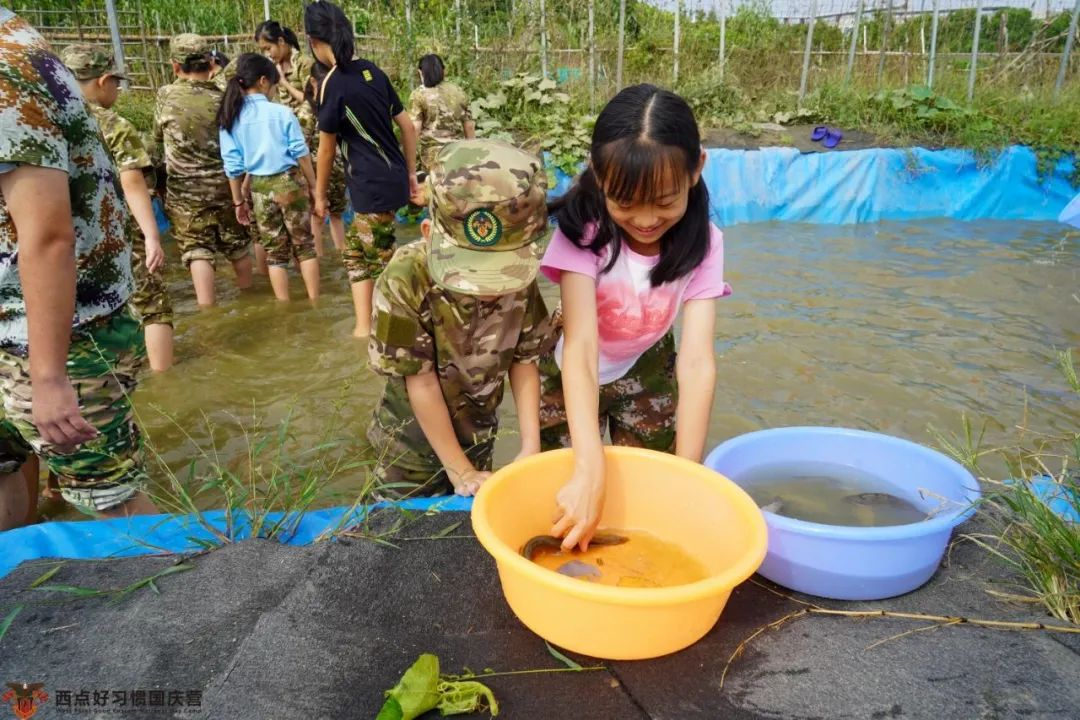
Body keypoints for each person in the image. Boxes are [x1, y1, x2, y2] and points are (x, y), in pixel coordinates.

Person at [538, 85, 731, 551]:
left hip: (647, 364)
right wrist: (589, 464)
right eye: (625, 202)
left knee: (656, 485)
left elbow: (698, 362)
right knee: (570, 488)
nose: (645, 219)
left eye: (664, 201)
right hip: (570, 369)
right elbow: (582, 348)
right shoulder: (582, 233)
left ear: (696, 169)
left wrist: (688, 471)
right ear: (600, 176)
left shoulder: (705, 243)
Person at [0, 9, 158, 529]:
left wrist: (48, 375)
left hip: (49, 334)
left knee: (110, 496)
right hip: (25, 327)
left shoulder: (7, 64)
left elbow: (47, 234)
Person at [367, 139, 554, 497]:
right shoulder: (406, 276)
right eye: (472, 272)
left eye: (500, 273)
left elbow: (525, 358)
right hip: (410, 446)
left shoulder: (520, 274)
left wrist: (530, 445)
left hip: (478, 431)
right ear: (428, 234)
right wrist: (460, 471)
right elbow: (418, 381)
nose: (488, 289)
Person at [304, 0, 421, 338]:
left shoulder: (332, 84)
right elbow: (408, 127)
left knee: (382, 262)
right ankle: (361, 329)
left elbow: (325, 150)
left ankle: (400, 335)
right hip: (391, 178)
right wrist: (411, 174)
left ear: (313, 41)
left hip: (371, 186)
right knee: (355, 253)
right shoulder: (373, 71)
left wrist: (320, 194)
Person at [60, 44, 176, 373]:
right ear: (103, 80)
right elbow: (132, 182)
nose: (117, 91)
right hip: (118, 231)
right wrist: (152, 236)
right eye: (115, 83)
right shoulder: (113, 125)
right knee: (153, 306)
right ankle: (164, 378)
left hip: (68, 239)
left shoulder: (48, 120)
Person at [154, 33, 253, 307]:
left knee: (197, 251)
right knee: (238, 246)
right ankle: (251, 295)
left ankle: (207, 309)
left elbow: (156, 143)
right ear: (211, 62)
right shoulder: (224, 97)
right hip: (226, 187)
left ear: (175, 66)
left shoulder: (166, 96)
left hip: (186, 194)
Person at [218, 53, 320, 301]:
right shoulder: (282, 113)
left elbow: (233, 167)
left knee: (275, 253)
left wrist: (238, 202)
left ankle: (283, 307)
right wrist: (316, 188)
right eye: (275, 84)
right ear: (264, 81)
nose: (275, 90)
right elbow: (302, 154)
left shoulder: (230, 117)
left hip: (259, 189)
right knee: (305, 247)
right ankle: (316, 301)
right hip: (289, 182)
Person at [305, 62, 347, 255]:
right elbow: (301, 146)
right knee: (317, 216)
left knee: (336, 214)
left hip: (337, 170)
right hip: (317, 172)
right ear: (313, 82)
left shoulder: (334, 102)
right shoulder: (307, 111)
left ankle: (340, 255)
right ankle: (319, 258)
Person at [408, 54, 475, 172]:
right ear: (444, 71)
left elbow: (414, 131)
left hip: (432, 158)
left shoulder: (418, 95)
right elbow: (469, 127)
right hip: (458, 154)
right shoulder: (459, 92)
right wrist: (472, 158)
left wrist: (410, 164)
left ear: (420, 72)